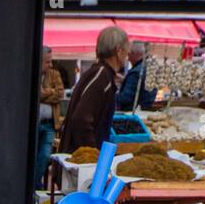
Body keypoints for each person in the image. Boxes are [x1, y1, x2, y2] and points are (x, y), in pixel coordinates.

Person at [59, 25, 130, 153]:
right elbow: (81, 119)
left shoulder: (101, 74)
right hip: (80, 161)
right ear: (118, 51)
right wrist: (93, 155)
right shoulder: (101, 76)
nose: (127, 55)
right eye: (126, 50)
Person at [35, 46, 63, 189]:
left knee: (45, 156)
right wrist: (49, 92)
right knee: (33, 156)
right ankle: (34, 184)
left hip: (50, 124)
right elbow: (34, 95)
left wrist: (42, 94)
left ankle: (34, 184)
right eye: (47, 62)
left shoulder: (55, 75)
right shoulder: (31, 74)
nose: (50, 65)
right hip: (34, 124)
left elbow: (59, 94)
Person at [117, 44, 156, 111]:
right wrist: (125, 80)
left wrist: (109, 96)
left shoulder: (136, 72)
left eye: (129, 54)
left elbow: (126, 97)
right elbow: (139, 86)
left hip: (132, 111)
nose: (128, 58)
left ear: (136, 54)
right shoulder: (148, 67)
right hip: (145, 108)